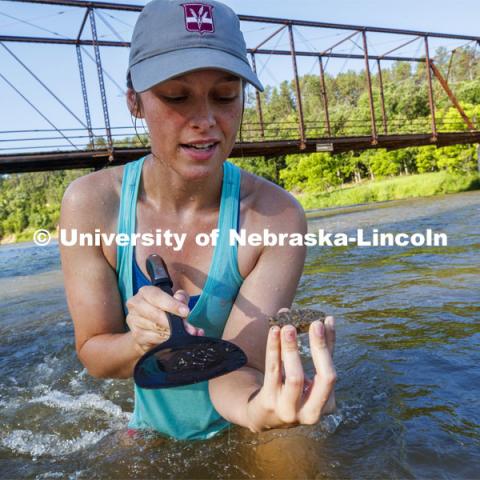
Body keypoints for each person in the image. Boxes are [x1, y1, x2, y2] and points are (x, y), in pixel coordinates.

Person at [59, 0, 336, 441]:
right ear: (134, 100)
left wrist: (259, 408)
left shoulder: (279, 216)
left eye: (226, 96)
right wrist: (140, 342)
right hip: (149, 428)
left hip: (247, 420)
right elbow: (95, 355)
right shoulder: (91, 204)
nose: (206, 121)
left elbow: (240, 366)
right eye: (176, 96)